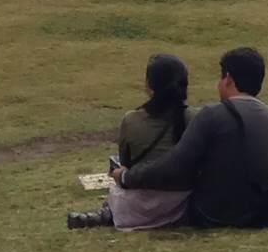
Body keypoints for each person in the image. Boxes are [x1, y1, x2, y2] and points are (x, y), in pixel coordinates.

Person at [114, 46, 268, 230]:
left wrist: (126, 176)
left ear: (228, 80)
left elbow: (174, 164)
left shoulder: (212, 115)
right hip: (263, 212)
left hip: (214, 213)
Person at [69, 55, 195, 231]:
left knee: (119, 184)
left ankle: (103, 215)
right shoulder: (195, 118)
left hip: (139, 204)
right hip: (183, 203)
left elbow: (127, 163)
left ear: (150, 86)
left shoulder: (131, 120)